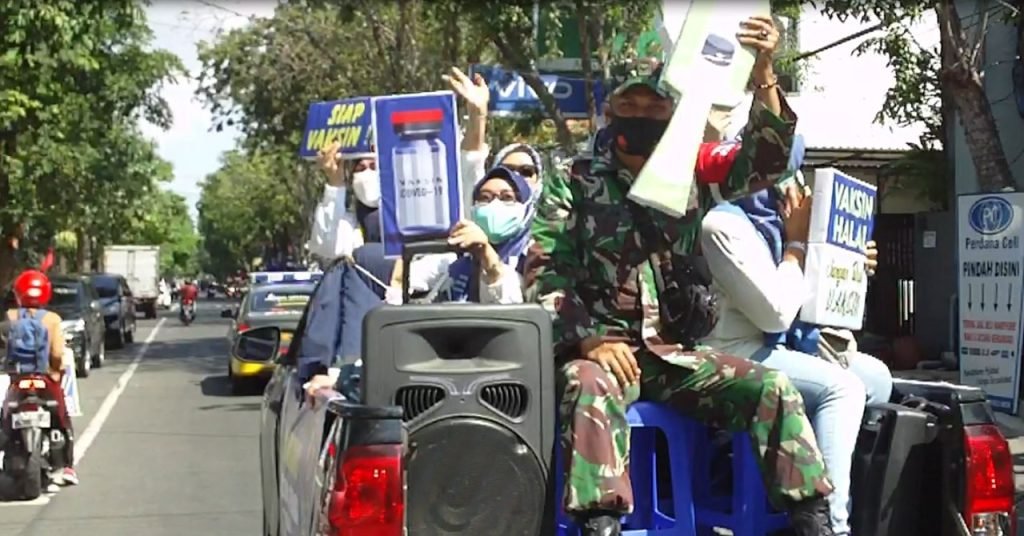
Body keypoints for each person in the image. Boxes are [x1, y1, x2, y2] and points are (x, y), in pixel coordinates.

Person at [526, 16, 835, 536]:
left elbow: (767, 163)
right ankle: (600, 523)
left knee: (773, 387)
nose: (641, 115)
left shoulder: (692, 169)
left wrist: (763, 73)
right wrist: (588, 340)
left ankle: (811, 518)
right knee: (587, 385)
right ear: (609, 110)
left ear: (673, 111)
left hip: (674, 355)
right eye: (629, 105)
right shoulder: (573, 179)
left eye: (654, 107)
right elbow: (544, 273)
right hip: (603, 353)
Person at [701, 165, 893, 535]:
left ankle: (812, 485)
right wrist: (796, 247)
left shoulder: (781, 218)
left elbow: (813, 298)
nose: (789, 187)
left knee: (877, 379)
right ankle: (832, 524)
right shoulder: (723, 225)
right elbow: (774, 314)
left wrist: (849, 263)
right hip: (735, 351)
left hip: (788, 344)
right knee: (843, 389)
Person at [388, 166, 531, 304]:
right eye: (484, 197)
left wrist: (487, 256)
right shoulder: (459, 260)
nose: (494, 204)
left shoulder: (531, 258)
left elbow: (515, 309)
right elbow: (404, 280)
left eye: (507, 197)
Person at [1, 270, 78, 487]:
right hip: (45, 379)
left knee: (6, 416)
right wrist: (56, 371)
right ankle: (67, 466)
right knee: (62, 419)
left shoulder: (10, 316)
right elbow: (57, 354)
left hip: (18, 378)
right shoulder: (52, 319)